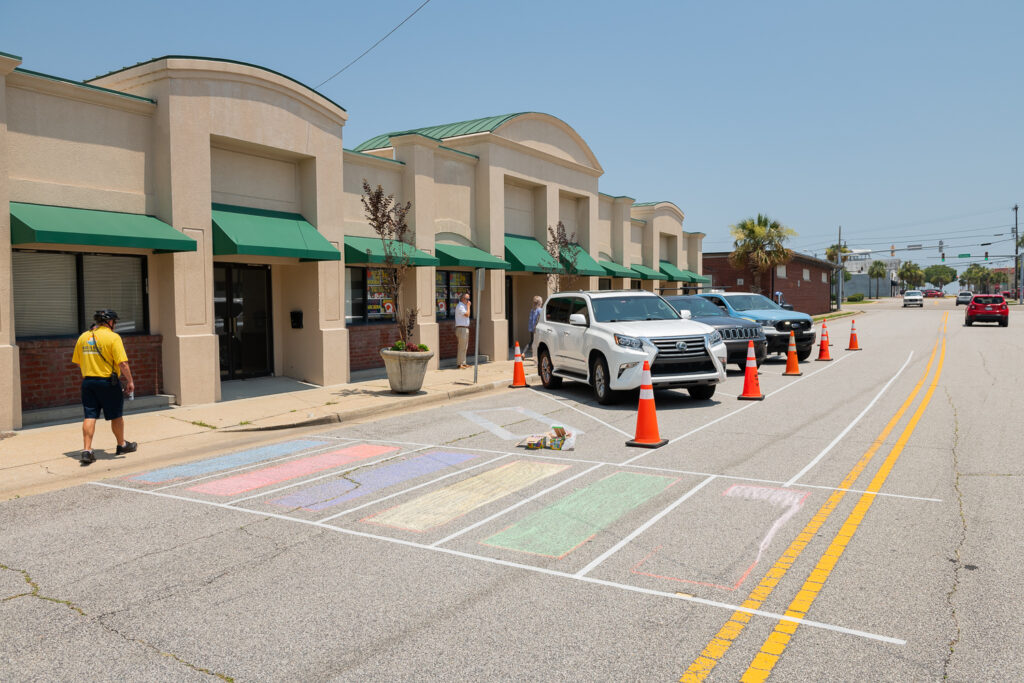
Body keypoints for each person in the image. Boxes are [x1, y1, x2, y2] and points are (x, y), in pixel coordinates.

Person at [71, 309, 137, 465]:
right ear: (110, 322)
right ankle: (122, 445)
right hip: (108, 383)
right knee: (116, 415)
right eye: (114, 321)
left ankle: (87, 451)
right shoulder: (113, 337)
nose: (115, 324)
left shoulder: (83, 337)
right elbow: (123, 363)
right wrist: (130, 381)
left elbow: (78, 361)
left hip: (88, 383)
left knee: (90, 416)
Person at [454, 293, 471, 368]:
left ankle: (463, 362)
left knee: (465, 347)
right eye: (467, 299)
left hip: (465, 328)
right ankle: (459, 363)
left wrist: (467, 306)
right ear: (463, 299)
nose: (468, 301)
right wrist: (468, 306)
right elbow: (467, 314)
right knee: (461, 346)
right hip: (461, 328)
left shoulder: (463, 306)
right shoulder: (460, 306)